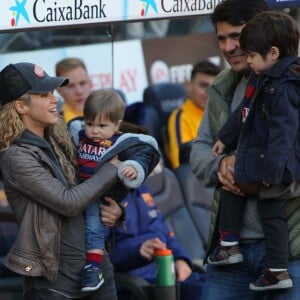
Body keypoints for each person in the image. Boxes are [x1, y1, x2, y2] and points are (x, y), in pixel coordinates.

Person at [190, 0, 300, 299]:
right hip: (229, 253)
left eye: (237, 36)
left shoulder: (292, 82)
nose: (228, 47)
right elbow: (199, 152)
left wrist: (257, 176)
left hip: (290, 254)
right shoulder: (223, 85)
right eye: (221, 38)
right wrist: (225, 165)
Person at [0, 62, 123, 300]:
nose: (54, 100)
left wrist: (117, 210)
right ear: (20, 106)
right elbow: (69, 202)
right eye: (44, 95)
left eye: (53, 93)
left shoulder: (60, 135)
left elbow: (88, 186)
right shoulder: (15, 156)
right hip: (55, 281)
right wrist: (112, 168)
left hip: (96, 266)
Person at [72, 89, 160, 292]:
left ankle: (94, 268)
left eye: (102, 126)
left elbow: (140, 156)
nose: (94, 130)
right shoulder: (78, 134)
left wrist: (132, 168)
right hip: (77, 192)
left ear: (117, 126)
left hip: (98, 196)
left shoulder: (120, 144)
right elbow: (72, 127)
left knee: (94, 229)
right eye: (90, 123)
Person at [106, 183, 206, 300]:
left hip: (168, 275)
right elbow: (102, 257)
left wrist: (181, 258)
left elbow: (164, 232)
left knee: (218, 283)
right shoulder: (105, 200)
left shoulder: (141, 189)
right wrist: (137, 250)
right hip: (138, 284)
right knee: (204, 292)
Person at [166, 60, 221, 169]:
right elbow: (182, 166)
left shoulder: (223, 112)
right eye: (204, 85)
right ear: (188, 85)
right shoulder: (180, 118)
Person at [56, 57, 92, 123]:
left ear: (90, 83)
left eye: (82, 83)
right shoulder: (55, 125)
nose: (79, 91)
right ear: (59, 90)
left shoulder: (110, 112)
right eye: (71, 86)